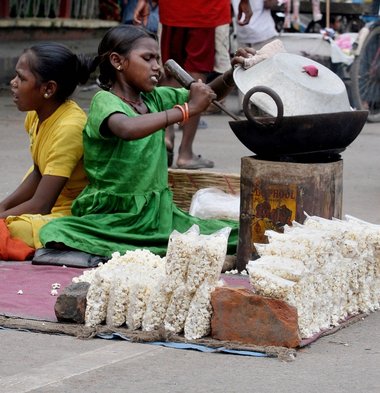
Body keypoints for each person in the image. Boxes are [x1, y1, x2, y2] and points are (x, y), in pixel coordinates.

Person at [39, 25, 248, 258]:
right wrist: (187, 109)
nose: (157, 67)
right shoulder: (105, 101)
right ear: (118, 61)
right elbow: (127, 128)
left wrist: (230, 75)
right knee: (55, 231)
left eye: (157, 59)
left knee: (236, 234)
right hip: (114, 215)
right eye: (148, 58)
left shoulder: (154, 97)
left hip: (157, 213)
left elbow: (207, 95)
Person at [0, 43, 94, 260]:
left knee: (18, 229)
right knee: (8, 221)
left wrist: (3, 217)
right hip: (50, 197)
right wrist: (3, 207)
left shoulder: (70, 126)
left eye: (21, 79)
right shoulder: (35, 114)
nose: (13, 84)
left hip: (73, 209)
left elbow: (42, 205)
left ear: (48, 89)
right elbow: (37, 172)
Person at [133, 0, 252, 169]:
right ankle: (185, 153)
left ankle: (167, 136)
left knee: (168, 70)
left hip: (172, 9)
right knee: (197, 75)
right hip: (206, 10)